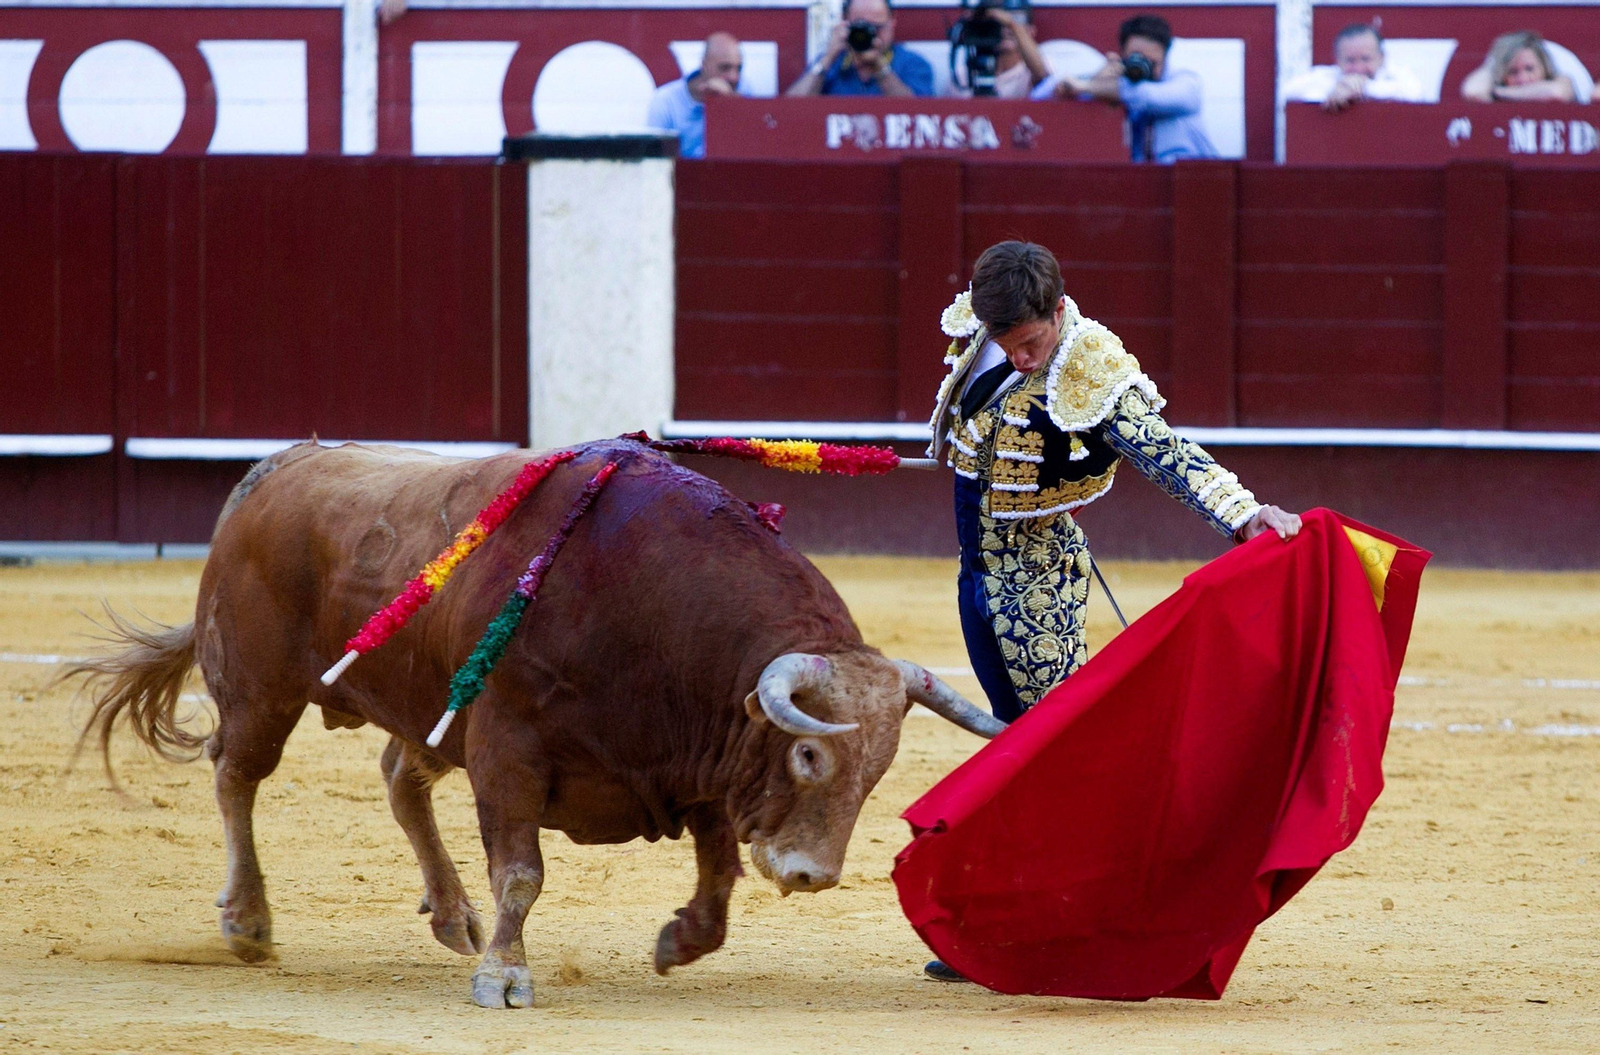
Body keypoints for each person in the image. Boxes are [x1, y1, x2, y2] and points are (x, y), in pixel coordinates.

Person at [922, 241, 1301, 983]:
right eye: (1007, 345)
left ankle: (1065, 921)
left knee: (1050, 757)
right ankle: (1023, 918)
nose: (1021, 358)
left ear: (1059, 312)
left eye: (1031, 343)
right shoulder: (990, 331)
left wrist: (1244, 513)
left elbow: (1167, 450)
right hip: (979, 581)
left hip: (1037, 590)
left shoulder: (1089, 366)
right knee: (1018, 748)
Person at [1037, 14, 1215, 163]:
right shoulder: (1110, 82)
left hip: (1190, 181)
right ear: (1122, 54)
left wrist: (1088, 87)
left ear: (1166, 56)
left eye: (1152, 62)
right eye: (1136, 59)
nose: (1143, 66)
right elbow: (1039, 95)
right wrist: (1096, 78)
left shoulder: (1187, 83)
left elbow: (1146, 96)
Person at [785, 0, 934, 98]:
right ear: (845, 22)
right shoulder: (832, 63)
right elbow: (790, 110)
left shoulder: (913, 64)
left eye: (876, 27)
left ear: (892, 21)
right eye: (860, 28)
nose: (868, 35)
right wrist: (827, 58)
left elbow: (916, 114)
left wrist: (880, 68)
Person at [1283, 23, 1426, 111]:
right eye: (1350, 60)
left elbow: (1414, 94)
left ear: (1381, 58)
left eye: (1366, 59)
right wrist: (1336, 89)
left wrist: (1360, 89)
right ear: (1337, 60)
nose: (1358, 68)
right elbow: (1287, 92)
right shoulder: (1325, 77)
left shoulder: (1398, 75)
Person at [645, 32, 742, 160]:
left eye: (739, 68)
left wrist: (731, 105)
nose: (733, 77)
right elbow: (656, 160)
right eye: (725, 68)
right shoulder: (666, 101)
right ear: (704, 65)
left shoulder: (744, 92)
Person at [948, 0, 1052, 99]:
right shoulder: (962, 77)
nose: (1005, 30)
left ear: (1031, 31)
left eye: (1017, 19)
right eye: (997, 23)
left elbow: (1043, 77)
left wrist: (1012, 25)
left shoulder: (1029, 71)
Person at [1460, 31, 1576, 103]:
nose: (1523, 79)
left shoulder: (1560, 80)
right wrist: (1493, 65)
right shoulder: (1493, 81)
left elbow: (1557, 94)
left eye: (1529, 69)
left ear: (1544, 67)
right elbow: (1473, 92)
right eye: (1513, 72)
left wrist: (1500, 93)